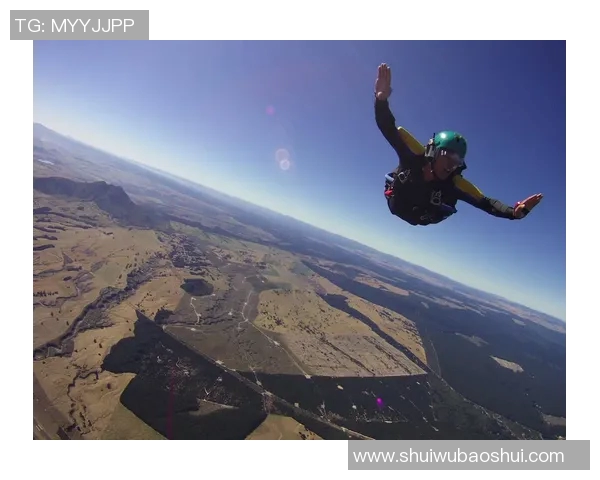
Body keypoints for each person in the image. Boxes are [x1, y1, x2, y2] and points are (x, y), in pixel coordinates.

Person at [374, 63, 543, 226]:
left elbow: (486, 203)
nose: (451, 166)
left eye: (457, 161)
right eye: (447, 157)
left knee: (445, 202)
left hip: (420, 215)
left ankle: (441, 208)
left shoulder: (454, 184)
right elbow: (387, 127)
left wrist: (514, 213)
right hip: (398, 200)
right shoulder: (413, 156)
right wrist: (381, 99)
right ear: (433, 152)